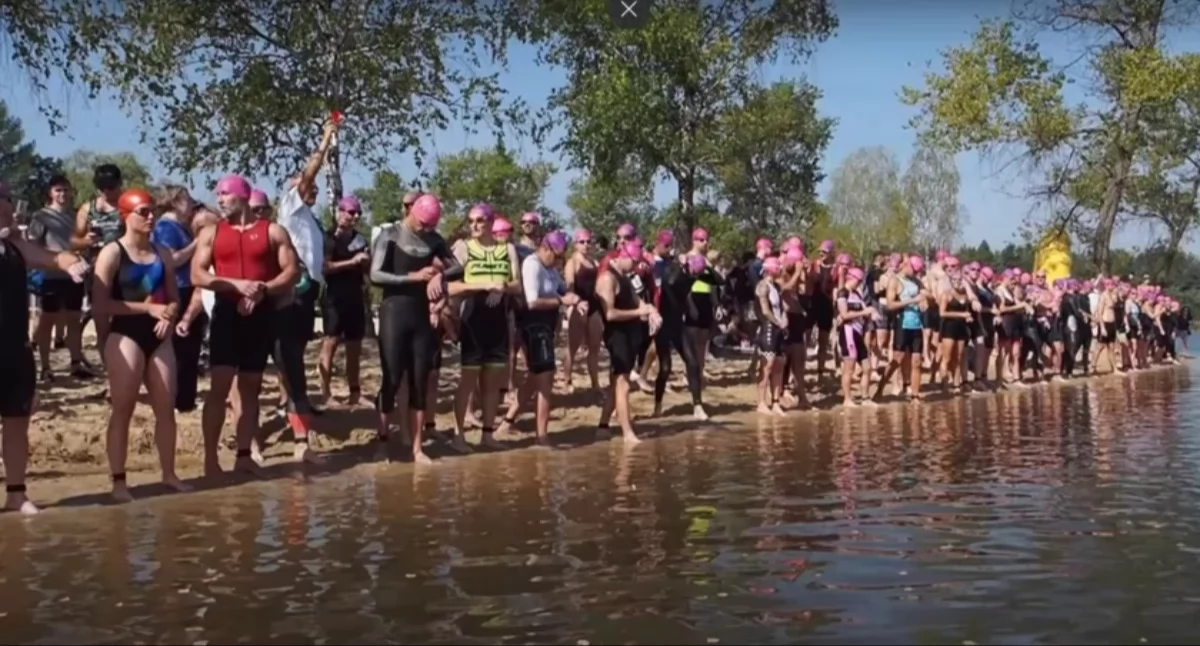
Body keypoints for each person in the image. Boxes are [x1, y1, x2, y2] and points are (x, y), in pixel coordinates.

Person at [191, 175, 301, 476]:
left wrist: (263, 289)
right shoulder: (212, 233)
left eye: (225, 193)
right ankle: (211, 460)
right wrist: (239, 285)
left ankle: (243, 454)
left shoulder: (273, 231)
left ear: (242, 196)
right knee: (220, 387)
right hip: (227, 312)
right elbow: (197, 276)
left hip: (261, 314)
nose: (219, 199)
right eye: (218, 194)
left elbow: (292, 271)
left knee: (251, 387)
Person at [91, 188, 191, 502]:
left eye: (152, 212)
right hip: (124, 333)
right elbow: (101, 304)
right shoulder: (112, 253)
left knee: (166, 407)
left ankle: (169, 474)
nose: (151, 218)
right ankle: (119, 480)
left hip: (159, 334)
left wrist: (170, 315)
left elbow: (174, 298)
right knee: (123, 408)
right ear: (126, 215)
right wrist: (148, 309)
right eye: (143, 212)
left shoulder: (162, 252)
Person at [1, 183, 91, 514]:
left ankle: (16, 493)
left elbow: (53, 257)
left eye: (9, 204)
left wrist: (70, 263)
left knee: (16, 422)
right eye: (4, 205)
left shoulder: (16, 247)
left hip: (15, 347)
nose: (10, 210)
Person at [370, 194, 466, 464]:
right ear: (411, 212)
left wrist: (438, 275)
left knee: (420, 381)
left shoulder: (434, 240)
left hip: (421, 317)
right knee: (390, 379)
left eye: (430, 226)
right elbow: (376, 275)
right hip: (393, 312)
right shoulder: (390, 234)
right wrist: (411, 277)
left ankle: (416, 449)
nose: (425, 230)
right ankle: (382, 443)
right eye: (422, 224)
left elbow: (457, 268)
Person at [497, 232, 575, 445]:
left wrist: (575, 298)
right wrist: (561, 301)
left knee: (534, 378)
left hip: (545, 328)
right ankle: (542, 435)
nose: (559, 261)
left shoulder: (549, 269)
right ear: (546, 248)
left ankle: (507, 422)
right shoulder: (532, 265)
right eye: (558, 257)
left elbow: (561, 289)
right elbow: (532, 301)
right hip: (533, 328)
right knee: (545, 381)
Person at [27, 174, 94, 380]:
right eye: (58, 190)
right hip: (51, 276)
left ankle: (75, 363)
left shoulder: (77, 216)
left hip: (74, 277)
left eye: (65, 190)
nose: (62, 194)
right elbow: (33, 245)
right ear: (51, 193)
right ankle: (46, 368)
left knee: (74, 319)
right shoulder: (41, 217)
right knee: (48, 320)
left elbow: (83, 243)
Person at [596, 238, 659, 444]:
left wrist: (651, 311)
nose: (636, 267)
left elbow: (636, 299)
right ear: (622, 256)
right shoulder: (608, 279)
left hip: (629, 334)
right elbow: (610, 314)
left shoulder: (625, 276)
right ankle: (627, 434)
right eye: (633, 262)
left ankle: (603, 426)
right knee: (623, 385)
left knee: (617, 382)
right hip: (617, 336)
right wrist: (639, 312)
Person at [151, 186, 206, 412]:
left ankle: (185, 398)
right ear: (175, 202)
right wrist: (198, 244)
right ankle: (180, 400)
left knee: (188, 348)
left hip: (184, 288)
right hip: (178, 289)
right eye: (188, 199)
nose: (192, 203)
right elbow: (171, 260)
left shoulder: (179, 226)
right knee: (182, 347)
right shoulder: (166, 227)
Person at [319, 195, 370, 406]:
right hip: (334, 297)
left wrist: (367, 261)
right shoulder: (329, 238)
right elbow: (324, 267)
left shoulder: (360, 239)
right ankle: (325, 394)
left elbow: (365, 268)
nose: (355, 216)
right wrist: (352, 262)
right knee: (330, 343)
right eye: (351, 212)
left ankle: (355, 392)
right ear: (340, 212)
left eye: (358, 212)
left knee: (354, 346)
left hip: (355, 296)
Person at [654, 252, 718, 419]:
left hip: (677, 325)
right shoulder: (676, 273)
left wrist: (707, 266)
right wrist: (683, 267)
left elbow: (719, 280)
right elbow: (671, 282)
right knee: (665, 368)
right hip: (663, 325)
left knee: (693, 363)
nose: (696, 276)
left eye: (698, 273)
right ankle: (658, 404)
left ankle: (697, 406)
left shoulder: (694, 275)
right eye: (695, 272)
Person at [563, 228, 603, 393]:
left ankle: (595, 383)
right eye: (582, 242)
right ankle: (567, 379)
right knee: (572, 347)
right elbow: (569, 287)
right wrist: (574, 304)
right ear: (576, 244)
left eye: (588, 241)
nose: (586, 245)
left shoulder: (595, 263)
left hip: (593, 308)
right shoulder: (572, 263)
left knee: (594, 347)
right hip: (578, 307)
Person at [836, 267, 878, 406]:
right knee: (849, 367)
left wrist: (870, 314)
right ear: (851, 278)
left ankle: (865, 397)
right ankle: (847, 399)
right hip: (848, 332)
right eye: (858, 281)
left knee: (867, 368)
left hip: (858, 333)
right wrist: (864, 312)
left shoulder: (857, 294)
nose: (859, 284)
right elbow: (844, 315)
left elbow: (864, 311)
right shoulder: (843, 293)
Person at [754, 256, 788, 416]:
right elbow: (765, 310)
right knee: (767, 367)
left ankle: (775, 402)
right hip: (768, 328)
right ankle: (761, 402)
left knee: (779, 366)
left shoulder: (776, 286)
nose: (781, 269)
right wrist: (778, 322)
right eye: (778, 267)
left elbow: (781, 308)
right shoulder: (762, 286)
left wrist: (785, 320)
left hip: (779, 329)